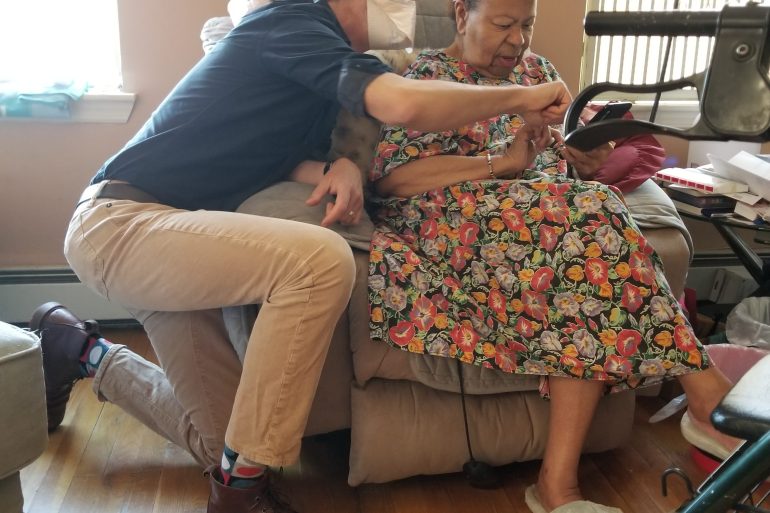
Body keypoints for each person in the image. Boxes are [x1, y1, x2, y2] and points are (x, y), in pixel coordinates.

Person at [30, 0, 573, 512]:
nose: (402, 17)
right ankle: (240, 495)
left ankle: (77, 348)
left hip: (183, 235)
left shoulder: (329, 71)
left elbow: (281, 158)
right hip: (122, 221)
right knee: (318, 263)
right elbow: (404, 102)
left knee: (226, 440)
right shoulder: (288, 22)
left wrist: (343, 169)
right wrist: (525, 94)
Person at [365, 0, 738, 512]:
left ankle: (556, 489)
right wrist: (503, 163)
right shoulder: (427, 77)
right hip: (454, 227)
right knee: (590, 231)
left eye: (527, 25)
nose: (517, 40)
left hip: (551, 226)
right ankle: (704, 391)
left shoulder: (538, 72)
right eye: (502, 25)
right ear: (460, 14)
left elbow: (565, 172)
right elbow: (394, 179)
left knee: (587, 263)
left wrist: (584, 159)